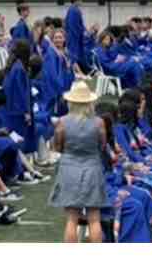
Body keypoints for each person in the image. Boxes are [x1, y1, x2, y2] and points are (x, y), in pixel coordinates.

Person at [48, 81, 110, 243]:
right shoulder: (99, 122)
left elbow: (57, 146)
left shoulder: (62, 122)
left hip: (69, 169)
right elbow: (102, 145)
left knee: (71, 220)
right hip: (92, 168)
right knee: (94, 219)